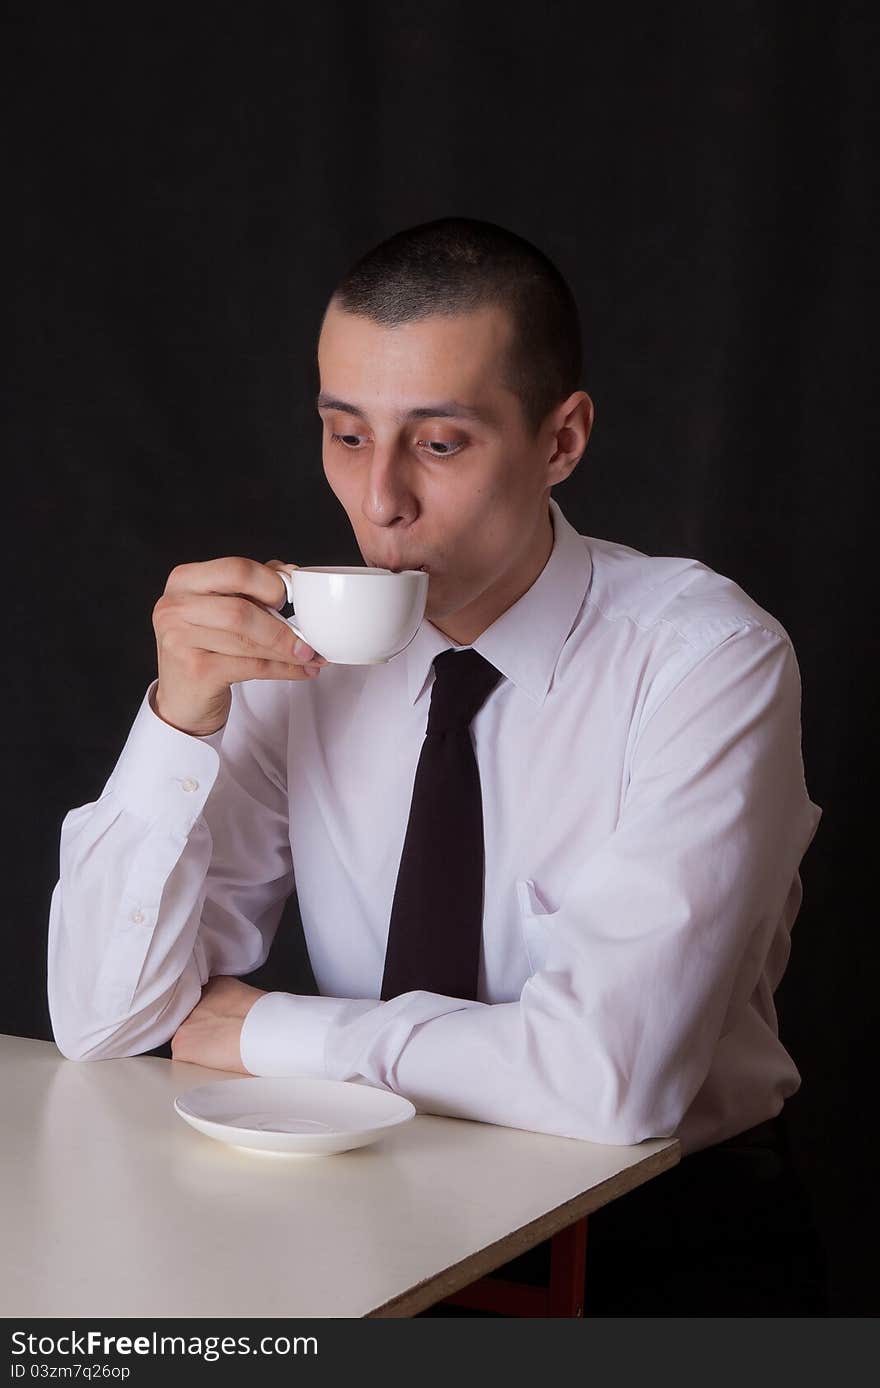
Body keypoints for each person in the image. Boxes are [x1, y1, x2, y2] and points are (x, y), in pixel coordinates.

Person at [47, 216, 829, 1314]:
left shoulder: (705, 657)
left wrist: (266, 1027)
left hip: (659, 1240)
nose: (381, 502)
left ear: (560, 441)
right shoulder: (297, 652)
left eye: (441, 442)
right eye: (347, 435)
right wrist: (178, 719)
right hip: (369, 1214)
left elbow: (611, 1081)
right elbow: (101, 1018)